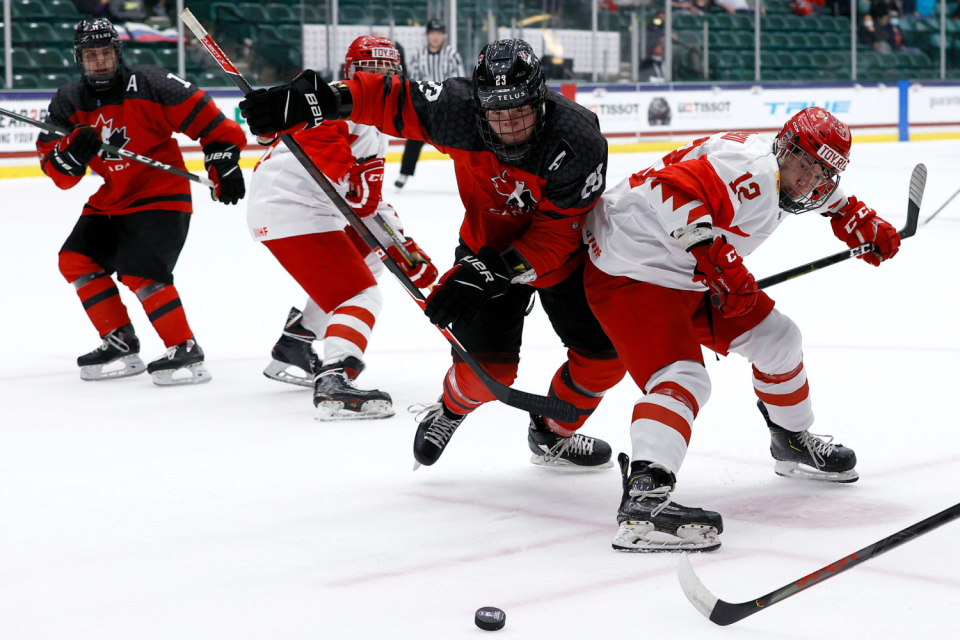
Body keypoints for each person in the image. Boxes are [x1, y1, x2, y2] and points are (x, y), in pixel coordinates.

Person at [239, 39, 626, 469]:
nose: (511, 126)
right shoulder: (456, 109)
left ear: (542, 99)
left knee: (605, 360)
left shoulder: (577, 141)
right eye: (498, 113)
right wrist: (321, 101)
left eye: (521, 111)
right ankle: (451, 409)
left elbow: (555, 236)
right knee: (487, 378)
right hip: (485, 248)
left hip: (560, 262)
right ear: (478, 107)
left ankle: (552, 435)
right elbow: (388, 97)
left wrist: (495, 272)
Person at [581, 107, 901, 552]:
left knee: (779, 339)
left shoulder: (782, 172)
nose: (810, 181)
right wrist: (716, 256)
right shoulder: (747, 174)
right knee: (682, 378)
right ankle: (644, 503)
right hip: (631, 269)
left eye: (823, 172)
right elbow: (665, 186)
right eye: (805, 164)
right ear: (784, 149)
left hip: (687, 270)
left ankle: (790, 441)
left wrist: (852, 213)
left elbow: (819, 188)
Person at [37, 17, 246, 385]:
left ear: (118, 53)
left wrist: (222, 162)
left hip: (162, 195)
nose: (99, 61)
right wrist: (71, 154)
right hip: (111, 200)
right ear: (78, 59)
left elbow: (212, 124)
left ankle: (184, 347)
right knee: (74, 259)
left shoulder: (151, 82)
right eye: (91, 55)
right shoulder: (68, 101)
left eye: (105, 53)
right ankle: (119, 339)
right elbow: (59, 175)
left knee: (142, 272)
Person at [246, 36, 438, 421]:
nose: (379, 81)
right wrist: (351, 179)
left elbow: (369, 202)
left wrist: (402, 247)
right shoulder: (331, 107)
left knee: (371, 260)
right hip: (291, 209)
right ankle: (335, 379)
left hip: (305, 209)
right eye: (370, 71)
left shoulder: (373, 123)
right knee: (362, 296)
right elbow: (333, 162)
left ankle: (297, 341)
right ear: (349, 73)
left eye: (388, 73)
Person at [393, 18, 465, 190]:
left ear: (444, 36)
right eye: (432, 33)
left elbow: (459, 81)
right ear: (427, 35)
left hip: (448, 107)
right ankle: (404, 174)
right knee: (414, 138)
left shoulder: (452, 55)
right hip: (425, 107)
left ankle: (468, 177)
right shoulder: (419, 55)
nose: (435, 37)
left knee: (463, 142)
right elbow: (414, 82)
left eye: (439, 33)